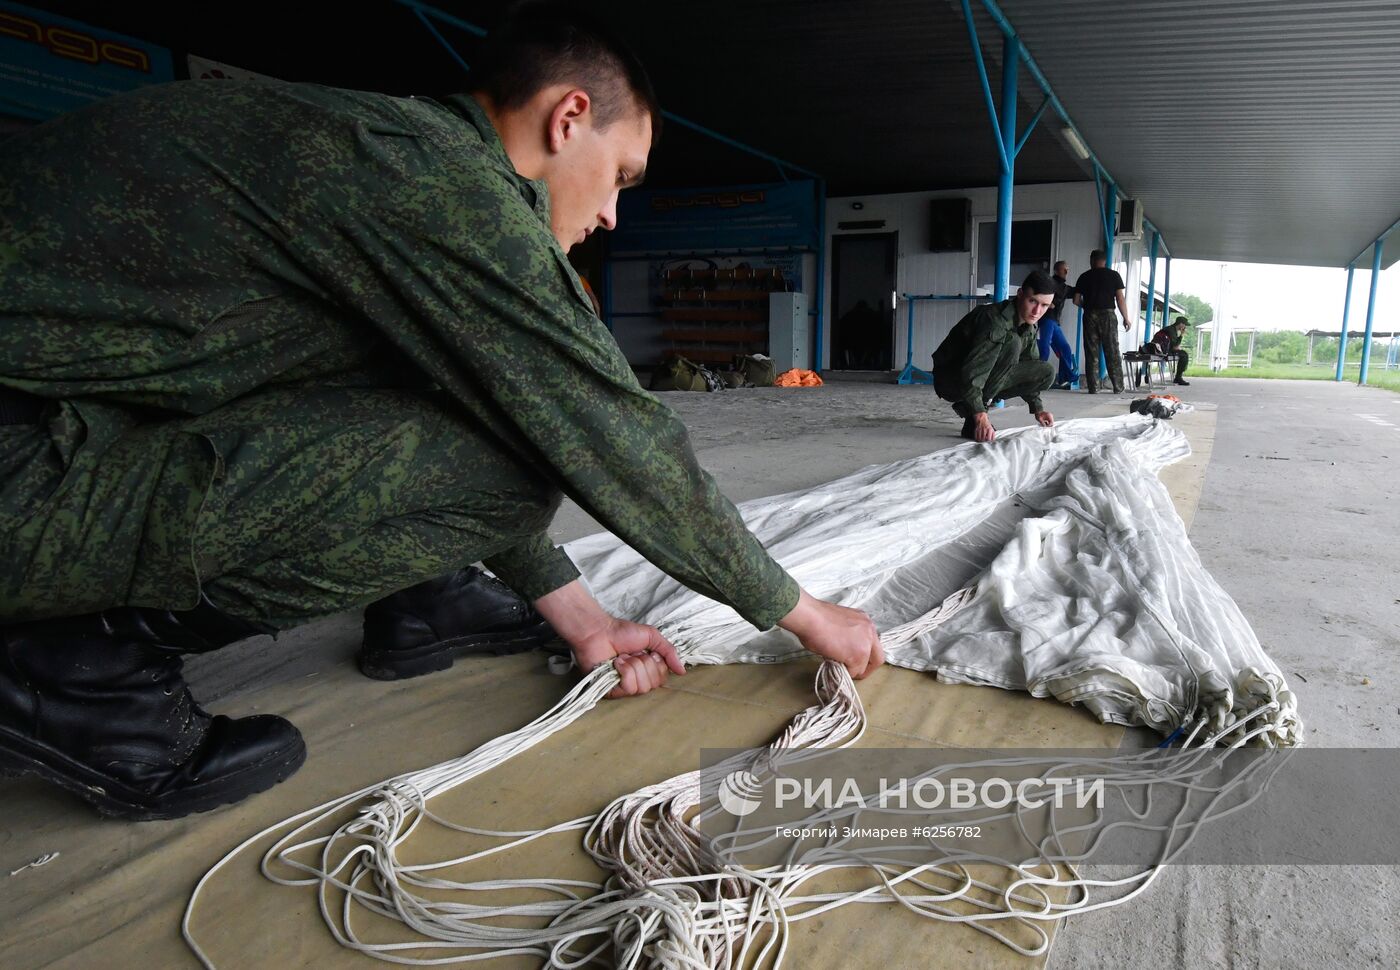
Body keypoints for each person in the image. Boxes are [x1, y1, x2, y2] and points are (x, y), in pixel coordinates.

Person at [0, 4, 882, 821]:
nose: (614, 214)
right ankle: (78, 667)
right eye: (619, 175)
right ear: (568, 117)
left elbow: (464, 398)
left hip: (55, 435)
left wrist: (586, 622)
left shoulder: (385, 152)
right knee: (521, 460)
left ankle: (424, 590)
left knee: (466, 413)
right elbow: (606, 426)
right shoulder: (441, 182)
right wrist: (804, 611)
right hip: (24, 467)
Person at [931, 271, 1058, 443]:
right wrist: (980, 416)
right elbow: (973, 372)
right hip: (951, 379)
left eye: (1044, 305)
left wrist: (1038, 409)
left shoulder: (1029, 325)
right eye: (1033, 301)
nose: (1037, 311)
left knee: (1046, 373)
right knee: (1012, 343)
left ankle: (973, 409)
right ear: (1020, 294)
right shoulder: (994, 320)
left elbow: (1030, 364)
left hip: (975, 377)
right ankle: (974, 414)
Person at [1072, 250, 1132, 394]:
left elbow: (1076, 300)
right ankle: (1118, 387)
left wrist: (1087, 306)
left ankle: (1094, 388)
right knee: (1112, 351)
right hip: (1108, 315)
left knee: (1091, 352)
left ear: (1091, 260)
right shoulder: (1114, 275)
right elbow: (1120, 299)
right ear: (1104, 261)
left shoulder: (1084, 276)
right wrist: (1126, 317)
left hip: (1090, 315)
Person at [1037, 260, 1078, 388]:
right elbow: (1038, 293)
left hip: (1054, 322)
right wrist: (1047, 303)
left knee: (1065, 349)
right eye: (1064, 269)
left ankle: (1064, 378)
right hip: (1046, 320)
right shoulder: (1049, 283)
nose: (1066, 271)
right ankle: (1037, 378)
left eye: (1067, 269)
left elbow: (1077, 291)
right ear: (1056, 270)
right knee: (1044, 349)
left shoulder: (1064, 288)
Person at [1147, 316, 1191, 386]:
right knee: (1184, 355)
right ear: (1180, 324)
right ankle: (1178, 377)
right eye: (1184, 324)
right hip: (1163, 351)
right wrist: (1181, 335)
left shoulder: (1170, 329)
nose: (1185, 327)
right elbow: (1175, 346)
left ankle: (1178, 377)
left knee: (1182, 353)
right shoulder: (1172, 331)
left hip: (1159, 350)